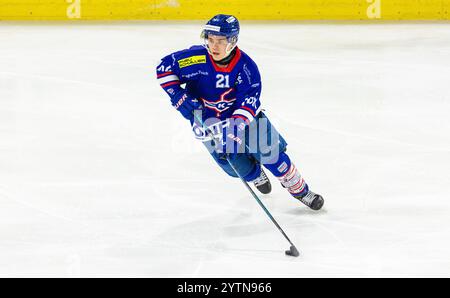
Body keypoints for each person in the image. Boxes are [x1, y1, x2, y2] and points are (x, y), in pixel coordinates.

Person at [156, 14, 324, 210]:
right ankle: (254, 173)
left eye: (220, 41)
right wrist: (177, 95)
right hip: (208, 122)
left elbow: (248, 103)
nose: (214, 46)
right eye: (210, 40)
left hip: (246, 120)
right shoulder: (195, 59)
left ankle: (301, 191)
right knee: (236, 168)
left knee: (272, 156)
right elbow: (164, 68)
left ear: (233, 41)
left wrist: (234, 129)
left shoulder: (246, 68)